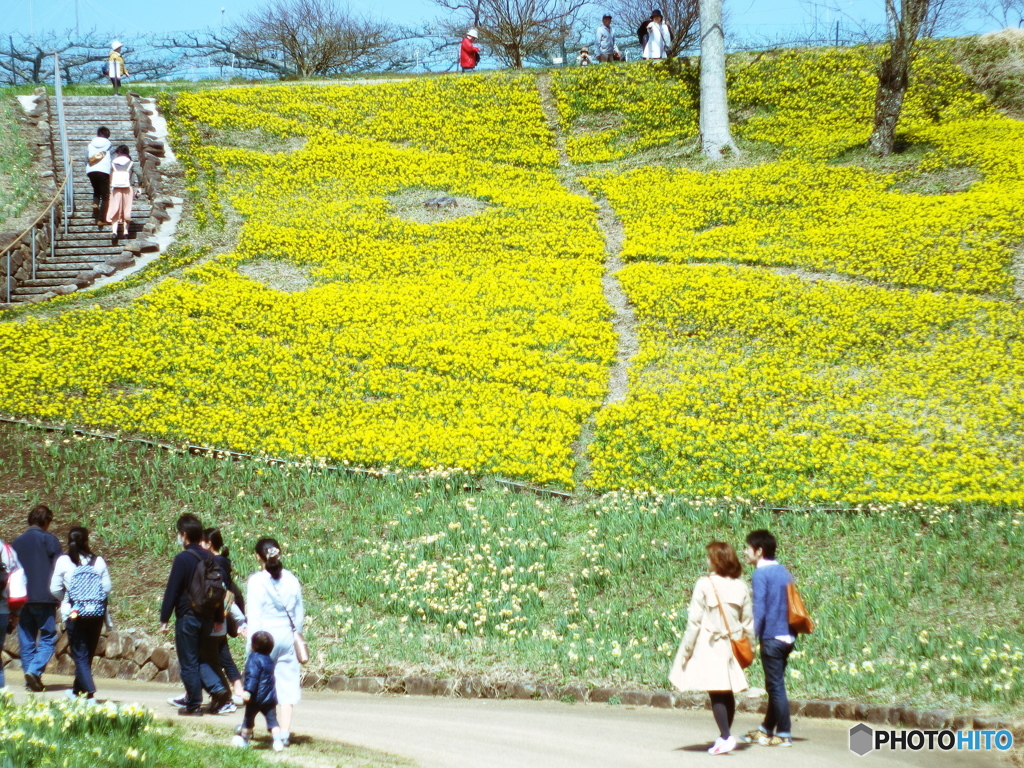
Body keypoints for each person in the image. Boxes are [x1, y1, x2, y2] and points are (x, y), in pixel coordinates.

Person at [669, 542, 755, 756]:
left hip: (710, 645)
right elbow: (749, 623)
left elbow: (694, 622)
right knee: (726, 691)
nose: (706, 561)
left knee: (716, 691)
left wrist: (687, 650)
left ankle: (726, 737)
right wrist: (749, 647)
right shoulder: (740, 585)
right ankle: (724, 735)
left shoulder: (704, 584)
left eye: (709, 557)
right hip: (732, 644)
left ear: (717, 560)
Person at [159, 514, 230, 716]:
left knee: (188, 661)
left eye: (179, 534)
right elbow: (218, 590)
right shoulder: (210, 557)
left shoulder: (183, 558)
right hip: (207, 616)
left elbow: (172, 589)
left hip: (187, 615)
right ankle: (218, 690)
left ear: (184, 535)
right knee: (199, 658)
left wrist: (164, 618)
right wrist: (218, 618)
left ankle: (193, 704)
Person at [246, 537, 304, 748]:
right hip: (287, 636)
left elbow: (254, 615)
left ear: (258, 557)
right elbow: (298, 614)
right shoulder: (291, 579)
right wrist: (297, 633)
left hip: (264, 636)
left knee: (257, 682)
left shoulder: (256, 581)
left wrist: (250, 649)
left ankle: (248, 728)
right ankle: (285, 731)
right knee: (286, 683)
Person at [742, 529, 796, 748]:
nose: (745, 552)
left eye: (747, 547)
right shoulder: (783, 571)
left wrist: (750, 636)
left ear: (759, 550)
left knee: (775, 687)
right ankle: (766, 729)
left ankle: (784, 734)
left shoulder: (760, 574)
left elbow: (760, 609)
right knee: (775, 685)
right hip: (788, 637)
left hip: (772, 637)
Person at [50, 527, 111, 701]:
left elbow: (54, 589)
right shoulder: (98, 561)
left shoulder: (63, 561)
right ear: (87, 541)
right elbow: (106, 588)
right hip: (96, 613)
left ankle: (89, 691)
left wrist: (69, 598)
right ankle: (78, 691)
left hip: (75, 612)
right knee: (88, 652)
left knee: (79, 653)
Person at [12, 504, 62, 693]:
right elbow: (60, 569)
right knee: (48, 638)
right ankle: (34, 671)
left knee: (26, 639)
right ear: (46, 521)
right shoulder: (50, 540)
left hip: (22, 598)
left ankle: (30, 680)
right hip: (45, 598)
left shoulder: (17, 542)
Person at [202, 528, 246, 708]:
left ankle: (223, 693)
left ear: (209, 543)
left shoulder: (215, 563)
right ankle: (238, 690)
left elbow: (219, 592)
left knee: (207, 656)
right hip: (224, 614)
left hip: (215, 615)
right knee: (222, 653)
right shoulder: (224, 562)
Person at [231, 630, 285, 752]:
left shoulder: (253, 659)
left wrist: (248, 691)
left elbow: (252, 677)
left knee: (248, 720)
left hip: (255, 698)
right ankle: (277, 742)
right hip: (270, 697)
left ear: (253, 646)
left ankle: (244, 740)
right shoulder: (269, 660)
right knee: (273, 721)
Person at [0, 537, 24, 689]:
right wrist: (16, 612)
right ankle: (2, 701)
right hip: (2, 611)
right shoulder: (8, 551)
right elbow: (22, 581)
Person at [106, 145, 140, 247]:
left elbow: (109, 176)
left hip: (115, 188)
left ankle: (114, 232)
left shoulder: (113, 163)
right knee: (127, 208)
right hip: (127, 187)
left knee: (115, 208)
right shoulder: (131, 163)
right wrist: (139, 186)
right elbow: (140, 174)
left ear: (118, 153)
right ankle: (125, 232)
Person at [85, 127, 112, 227]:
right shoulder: (109, 145)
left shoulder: (90, 144)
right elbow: (112, 158)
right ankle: (101, 219)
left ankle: (95, 203)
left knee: (96, 190)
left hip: (91, 171)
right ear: (107, 135)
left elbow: (86, 158)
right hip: (103, 171)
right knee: (105, 196)